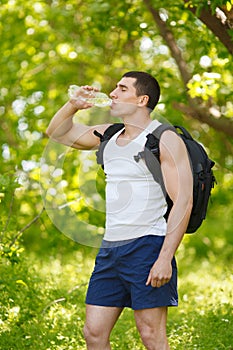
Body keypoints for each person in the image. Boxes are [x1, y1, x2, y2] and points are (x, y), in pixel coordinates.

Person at [46, 71, 193, 350]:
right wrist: (73, 105)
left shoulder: (164, 139)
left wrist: (165, 257)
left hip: (148, 246)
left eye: (122, 89)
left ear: (142, 99)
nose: (112, 93)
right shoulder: (109, 135)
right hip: (111, 249)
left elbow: (184, 201)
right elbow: (56, 133)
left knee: (151, 335)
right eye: (115, 88)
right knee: (94, 333)